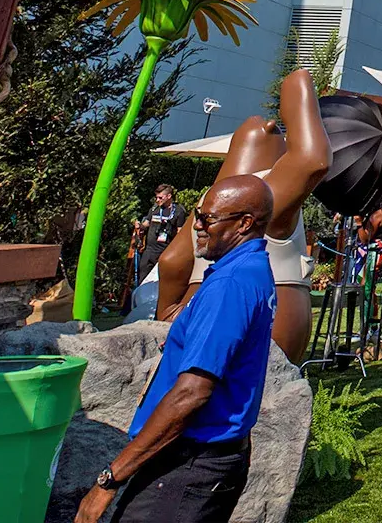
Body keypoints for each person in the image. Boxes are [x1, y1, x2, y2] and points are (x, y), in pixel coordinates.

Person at [75, 176, 277, 523]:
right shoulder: (248, 268)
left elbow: (192, 394)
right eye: (197, 214)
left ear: (245, 223)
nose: (196, 225)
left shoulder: (230, 283)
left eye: (207, 219)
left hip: (189, 465)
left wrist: (109, 480)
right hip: (202, 460)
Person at [155, 70, 330, 361]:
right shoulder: (261, 194)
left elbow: (171, 262)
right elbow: (313, 159)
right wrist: (298, 83)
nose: (271, 124)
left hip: (198, 302)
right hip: (263, 316)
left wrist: (169, 312)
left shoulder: (210, 202)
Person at [133, 184, 182, 281]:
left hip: (165, 252)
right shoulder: (154, 209)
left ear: (169, 196)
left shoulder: (178, 211)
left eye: (160, 197)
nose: (157, 200)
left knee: (160, 280)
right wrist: (140, 226)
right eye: (157, 197)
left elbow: (180, 232)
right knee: (143, 278)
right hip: (149, 251)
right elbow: (146, 223)